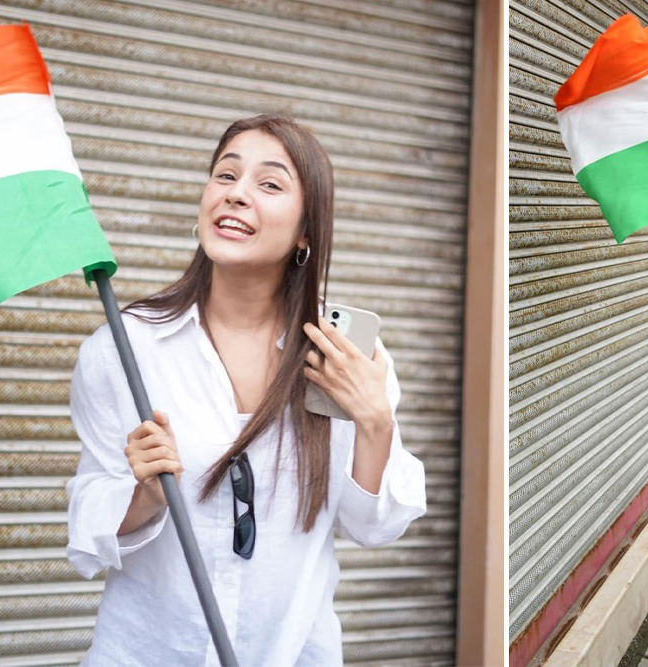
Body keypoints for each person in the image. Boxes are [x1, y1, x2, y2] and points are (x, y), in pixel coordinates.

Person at [64, 115, 426, 664]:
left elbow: (373, 527)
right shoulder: (124, 347)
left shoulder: (347, 359)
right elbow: (88, 529)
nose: (236, 195)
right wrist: (147, 494)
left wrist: (375, 422)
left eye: (269, 184)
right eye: (225, 175)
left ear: (307, 229)